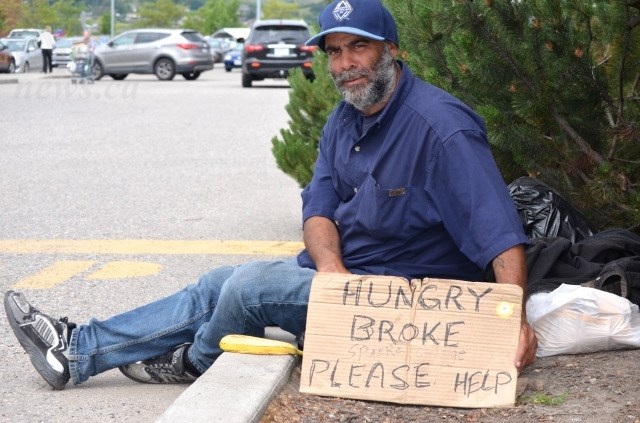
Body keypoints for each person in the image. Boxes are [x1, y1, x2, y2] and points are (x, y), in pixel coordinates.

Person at [4, 0, 537, 391]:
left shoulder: (441, 129)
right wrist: (331, 273)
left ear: (392, 50)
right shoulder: (344, 116)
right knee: (216, 282)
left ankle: (194, 360)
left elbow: (498, 233)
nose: (345, 63)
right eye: (334, 51)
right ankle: (76, 351)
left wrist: (514, 324)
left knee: (249, 287)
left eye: (359, 47)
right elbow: (319, 208)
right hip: (348, 280)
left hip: (405, 301)